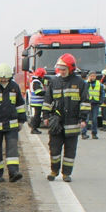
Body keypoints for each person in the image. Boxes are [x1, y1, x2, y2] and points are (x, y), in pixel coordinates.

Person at [42, 53, 89, 182]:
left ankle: (66, 173)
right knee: (54, 149)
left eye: (64, 69)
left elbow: (84, 102)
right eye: (60, 69)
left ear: (71, 68)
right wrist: (45, 116)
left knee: (70, 152)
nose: (61, 72)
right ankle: (54, 171)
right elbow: (47, 100)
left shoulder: (80, 83)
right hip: (56, 123)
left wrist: (83, 119)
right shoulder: (54, 82)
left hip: (72, 123)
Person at [82, 71, 102, 139]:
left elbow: (102, 93)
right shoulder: (85, 83)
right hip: (87, 103)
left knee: (94, 119)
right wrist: (88, 82)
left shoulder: (99, 84)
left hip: (95, 103)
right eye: (91, 76)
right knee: (86, 119)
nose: (93, 77)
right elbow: (83, 91)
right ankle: (84, 133)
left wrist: (100, 101)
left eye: (94, 76)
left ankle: (94, 133)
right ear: (89, 76)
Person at [28, 67, 46, 134]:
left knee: (37, 116)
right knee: (37, 116)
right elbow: (38, 92)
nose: (43, 76)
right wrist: (46, 93)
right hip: (37, 102)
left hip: (37, 102)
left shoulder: (36, 81)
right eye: (43, 75)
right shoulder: (36, 82)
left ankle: (34, 128)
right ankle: (34, 129)